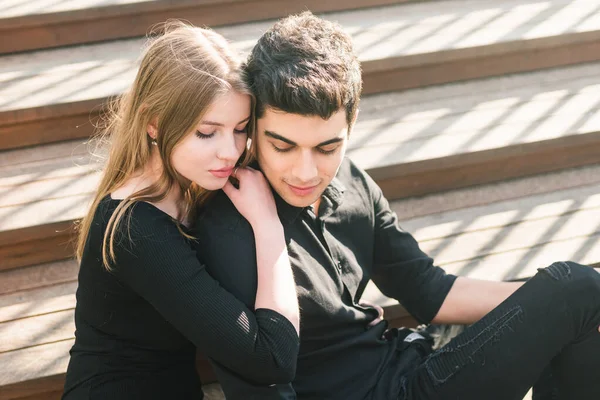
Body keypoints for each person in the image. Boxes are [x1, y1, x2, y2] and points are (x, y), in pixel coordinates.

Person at [195, 12, 600, 400]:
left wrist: (537, 305)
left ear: (350, 127)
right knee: (576, 286)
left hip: (413, 366)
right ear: (253, 130)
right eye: (282, 146)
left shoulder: (350, 181)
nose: (305, 171)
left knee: (576, 306)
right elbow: (258, 383)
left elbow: (428, 290)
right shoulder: (230, 226)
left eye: (327, 147)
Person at [62, 21, 300, 399]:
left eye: (240, 128)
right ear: (154, 123)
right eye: (207, 132)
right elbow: (272, 358)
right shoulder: (135, 230)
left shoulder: (189, 187)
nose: (230, 150)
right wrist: (267, 222)